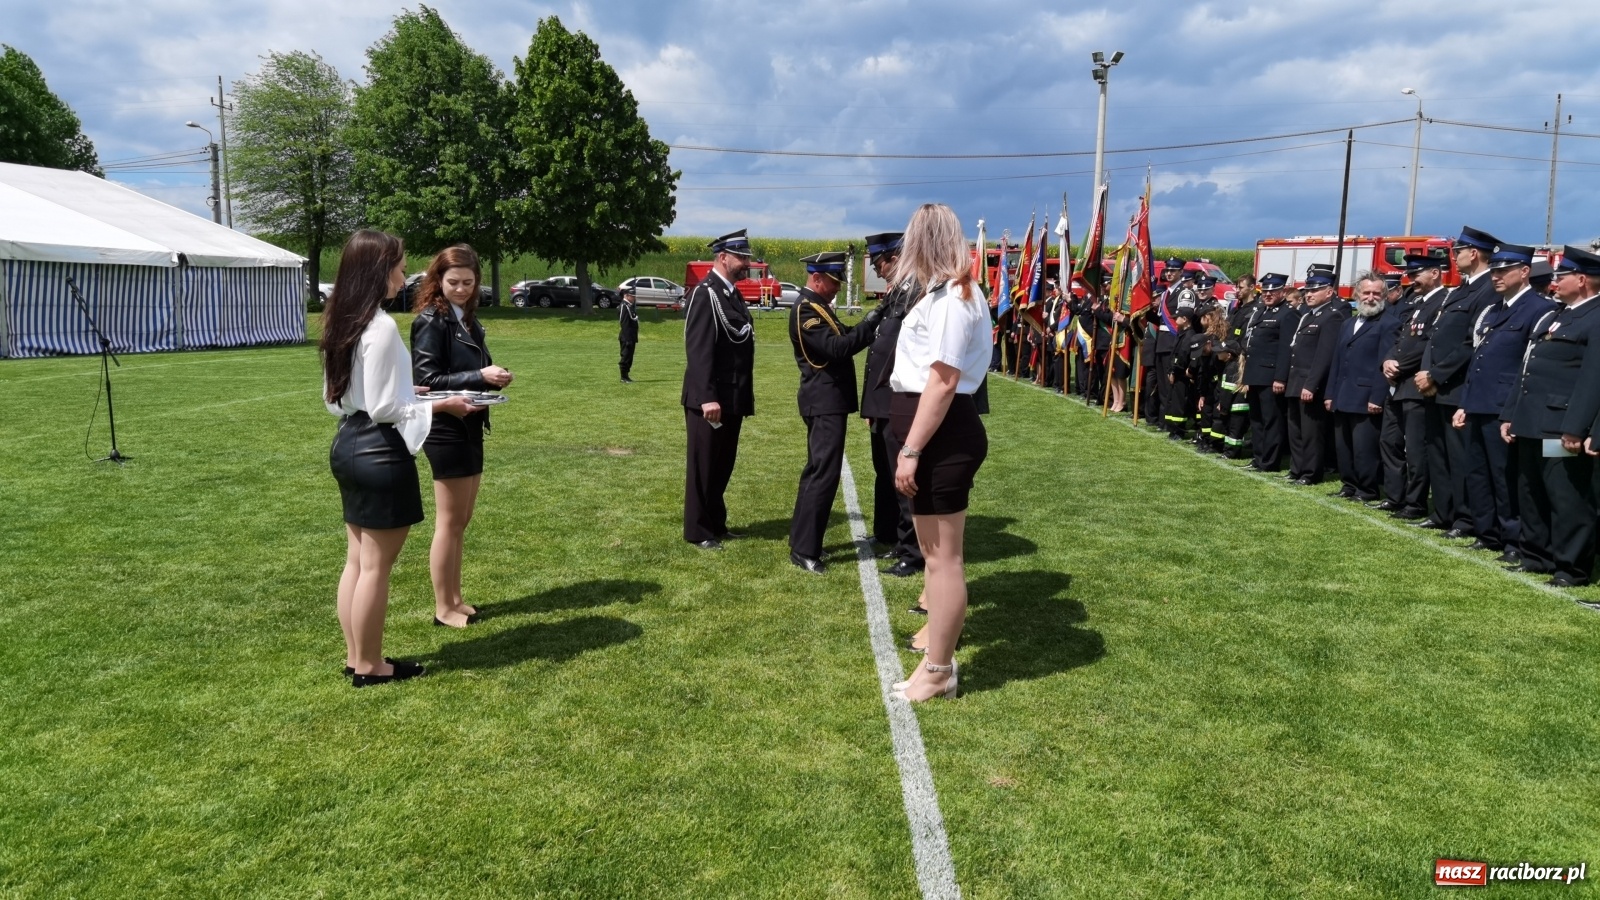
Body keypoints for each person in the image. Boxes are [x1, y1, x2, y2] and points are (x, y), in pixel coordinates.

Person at [322, 229, 478, 687]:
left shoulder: (341, 319)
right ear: (379, 270)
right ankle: (371, 665)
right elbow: (385, 408)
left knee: (357, 561)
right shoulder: (381, 326)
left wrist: (408, 390)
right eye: (399, 265)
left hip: (347, 442)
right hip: (379, 450)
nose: (403, 274)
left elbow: (337, 399)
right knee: (374, 567)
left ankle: (357, 657)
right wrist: (441, 404)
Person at [889, 203, 991, 704]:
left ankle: (938, 670)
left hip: (941, 435)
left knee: (944, 560)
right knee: (934, 558)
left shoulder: (954, 297)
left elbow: (944, 379)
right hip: (933, 431)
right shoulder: (941, 293)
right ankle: (933, 664)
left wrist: (911, 449)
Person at [410, 244, 514, 629]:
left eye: (468, 283)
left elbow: (473, 367)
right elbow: (426, 380)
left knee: (462, 519)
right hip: (445, 427)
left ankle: (455, 598)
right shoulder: (431, 320)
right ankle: (443, 608)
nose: (461, 289)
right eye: (453, 282)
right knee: (450, 521)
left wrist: (494, 375)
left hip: (470, 423)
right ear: (438, 279)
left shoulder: (468, 319)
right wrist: (479, 376)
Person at [1502, 245, 1600, 587]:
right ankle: (1536, 555)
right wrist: (1511, 414)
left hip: (1560, 428)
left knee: (1566, 496)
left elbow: (1593, 379)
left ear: (1582, 279)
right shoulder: (1557, 314)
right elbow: (1528, 368)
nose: (1555, 282)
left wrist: (1576, 427)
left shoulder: (1595, 317)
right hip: (1532, 422)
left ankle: (1570, 567)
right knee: (1532, 491)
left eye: (1562, 275)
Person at [1455, 242, 1558, 557]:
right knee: (1478, 473)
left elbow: (1529, 365)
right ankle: (1488, 533)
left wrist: (1513, 411)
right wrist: (1464, 402)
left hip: (1504, 405)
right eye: (1494, 271)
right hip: (1479, 401)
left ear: (1524, 272)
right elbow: (1478, 359)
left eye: (1504, 271)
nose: (1496, 277)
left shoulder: (1539, 309)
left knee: (1505, 477)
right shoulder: (1493, 309)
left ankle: (1513, 539)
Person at [786, 251, 882, 573]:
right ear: (816, 278)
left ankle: (802, 541)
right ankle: (805, 550)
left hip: (827, 402)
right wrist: (870, 324)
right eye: (833, 281)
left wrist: (867, 325)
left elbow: (843, 336)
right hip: (823, 402)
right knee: (823, 475)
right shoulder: (806, 309)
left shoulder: (819, 307)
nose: (838, 287)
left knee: (817, 471)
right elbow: (837, 348)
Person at [1415, 226, 1498, 537]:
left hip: (1457, 386)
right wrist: (1427, 373)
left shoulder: (1488, 289)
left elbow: (1471, 342)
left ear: (1473, 253)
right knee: (1438, 453)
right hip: (1436, 387)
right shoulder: (1461, 289)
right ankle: (1444, 512)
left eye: (1457, 252)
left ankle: (1465, 518)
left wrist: (1435, 375)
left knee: (1460, 456)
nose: (1454, 257)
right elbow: (1436, 336)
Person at [682, 230, 757, 550]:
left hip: (732, 397)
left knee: (722, 464)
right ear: (723, 257)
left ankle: (716, 523)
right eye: (741, 257)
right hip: (710, 399)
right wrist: (707, 397)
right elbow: (698, 350)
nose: (747, 263)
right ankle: (698, 530)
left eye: (747, 258)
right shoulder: (705, 294)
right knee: (704, 466)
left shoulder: (730, 294)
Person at [860, 232, 927, 580]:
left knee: (903, 481)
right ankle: (894, 537)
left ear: (896, 258)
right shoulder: (899, 293)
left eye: (880, 264)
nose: (878, 270)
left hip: (899, 402)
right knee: (886, 474)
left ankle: (911, 552)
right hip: (883, 403)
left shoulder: (916, 293)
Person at [1378, 254, 1450, 519]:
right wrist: (1387, 361)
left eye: (1416, 274)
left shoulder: (1443, 301)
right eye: (1409, 275)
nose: (1411, 280)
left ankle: (1415, 503)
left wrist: (1398, 365)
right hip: (1397, 385)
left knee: (1417, 450)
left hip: (1416, 387)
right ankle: (1395, 497)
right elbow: (1401, 340)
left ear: (1435, 273)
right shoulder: (1418, 304)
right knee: (1389, 442)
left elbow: (1427, 344)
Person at [1325, 273, 1399, 502]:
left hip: (1367, 397)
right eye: (1366, 292)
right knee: (1344, 446)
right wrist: (1330, 393)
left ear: (1384, 296)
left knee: (1364, 449)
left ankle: (1367, 490)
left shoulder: (1389, 324)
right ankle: (1348, 484)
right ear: (1357, 295)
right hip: (1342, 395)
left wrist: (1377, 397)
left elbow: (1384, 363)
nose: (1370, 297)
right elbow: (1337, 361)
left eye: (1376, 293)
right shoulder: (1348, 324)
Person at [1285, 264, 1348, 484]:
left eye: (1314, 290)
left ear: (1329, 292)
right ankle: (1297, 469)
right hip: (1296, 381)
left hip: (1310, 384)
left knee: (1311, 432)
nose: (1308, 294)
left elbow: (1324, 356)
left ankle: (1311, 473)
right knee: (1295, 430)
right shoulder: (1308, 316)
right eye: (1307, 291)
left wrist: (1311, 385)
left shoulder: (1332, 317)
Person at [1242, 273, 1299, 471]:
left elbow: (1286, 349)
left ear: (1283, 291)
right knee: (1256, 419)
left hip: (1271, 376)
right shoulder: (1261, 312)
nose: (1267, 294)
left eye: (1272, 291)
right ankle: (1258, 457)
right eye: (1264, 291)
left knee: (1271, 420)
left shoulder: (1288, 314)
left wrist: (1280, 378)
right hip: (1255, 374)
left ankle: (1269, 461)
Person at [618, 283, 639, 383]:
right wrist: (627, 338)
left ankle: (626, 376)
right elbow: (623, 322)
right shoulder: (624, 306)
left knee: (630, 357)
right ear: (626, 296)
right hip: (627, 337)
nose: (634, 298)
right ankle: (623, 377)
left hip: (631, 336)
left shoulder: (629, 306)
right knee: (625, 356)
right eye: (632, 296)